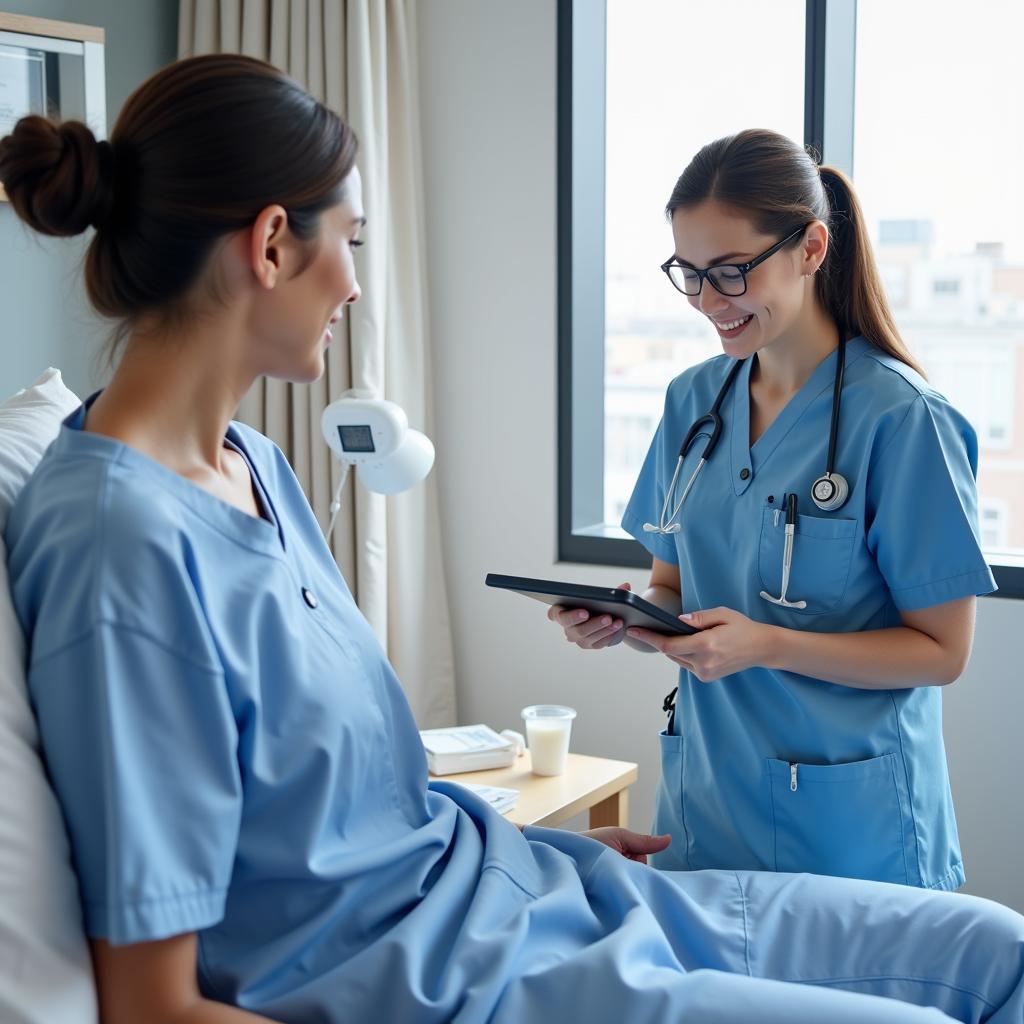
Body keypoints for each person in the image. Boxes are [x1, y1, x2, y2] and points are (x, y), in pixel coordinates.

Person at [3, 58, 1022, 1024]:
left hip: (536, 887)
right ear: (272, 244)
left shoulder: (257, 469)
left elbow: (354, 804)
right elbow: (153, 1000)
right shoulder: (120, 548)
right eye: (350, 239)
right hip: (470, 976)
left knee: (999, 955)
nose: (356, 285)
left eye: (730, 272)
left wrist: (527, 848)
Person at [549, 128, 996, 891]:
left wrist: (768, 645)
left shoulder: (902, 419)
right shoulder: (692, 400)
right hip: (710, 805)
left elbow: (942, 653)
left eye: (730, 272)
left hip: (852, 829)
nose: (707, 302)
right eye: (687, 274)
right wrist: (628, 622)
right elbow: (673, 590)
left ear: (812, 248)